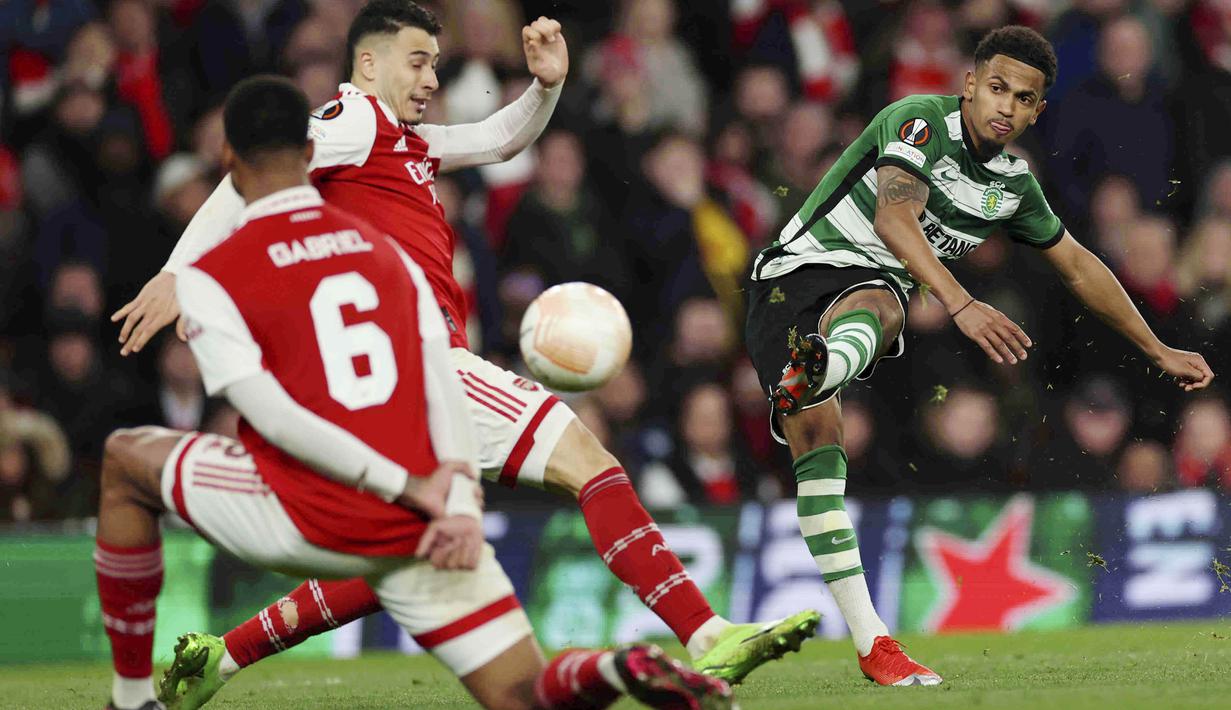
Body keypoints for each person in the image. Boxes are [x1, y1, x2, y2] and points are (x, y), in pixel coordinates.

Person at [109, 0, 817, 695]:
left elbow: (499, 140)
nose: (430, 79)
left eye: (435, 65)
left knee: (404, 547)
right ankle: (707, 635)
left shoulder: (401, 140)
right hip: (424, 367)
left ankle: (220, 659)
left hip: (395, 374)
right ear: (368, 63)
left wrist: (546, 86)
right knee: (589, 463)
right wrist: (177, 273)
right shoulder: (353, 119)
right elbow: (254, 174)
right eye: (417, 62)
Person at [744, 25, 1215, 686]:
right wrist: (962, 303)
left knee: (823, 451)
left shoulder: (1012, 186)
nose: (1005, 106)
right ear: (969, 84)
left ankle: (873, 643)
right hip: (793, 279)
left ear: (1037, 111)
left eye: (1023, 98)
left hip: (854, 312)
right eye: (996, 87)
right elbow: (893, 218)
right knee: (885, 303)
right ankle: (824, 366)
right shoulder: (918, 121)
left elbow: (1080, 266)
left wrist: (1156, 346)